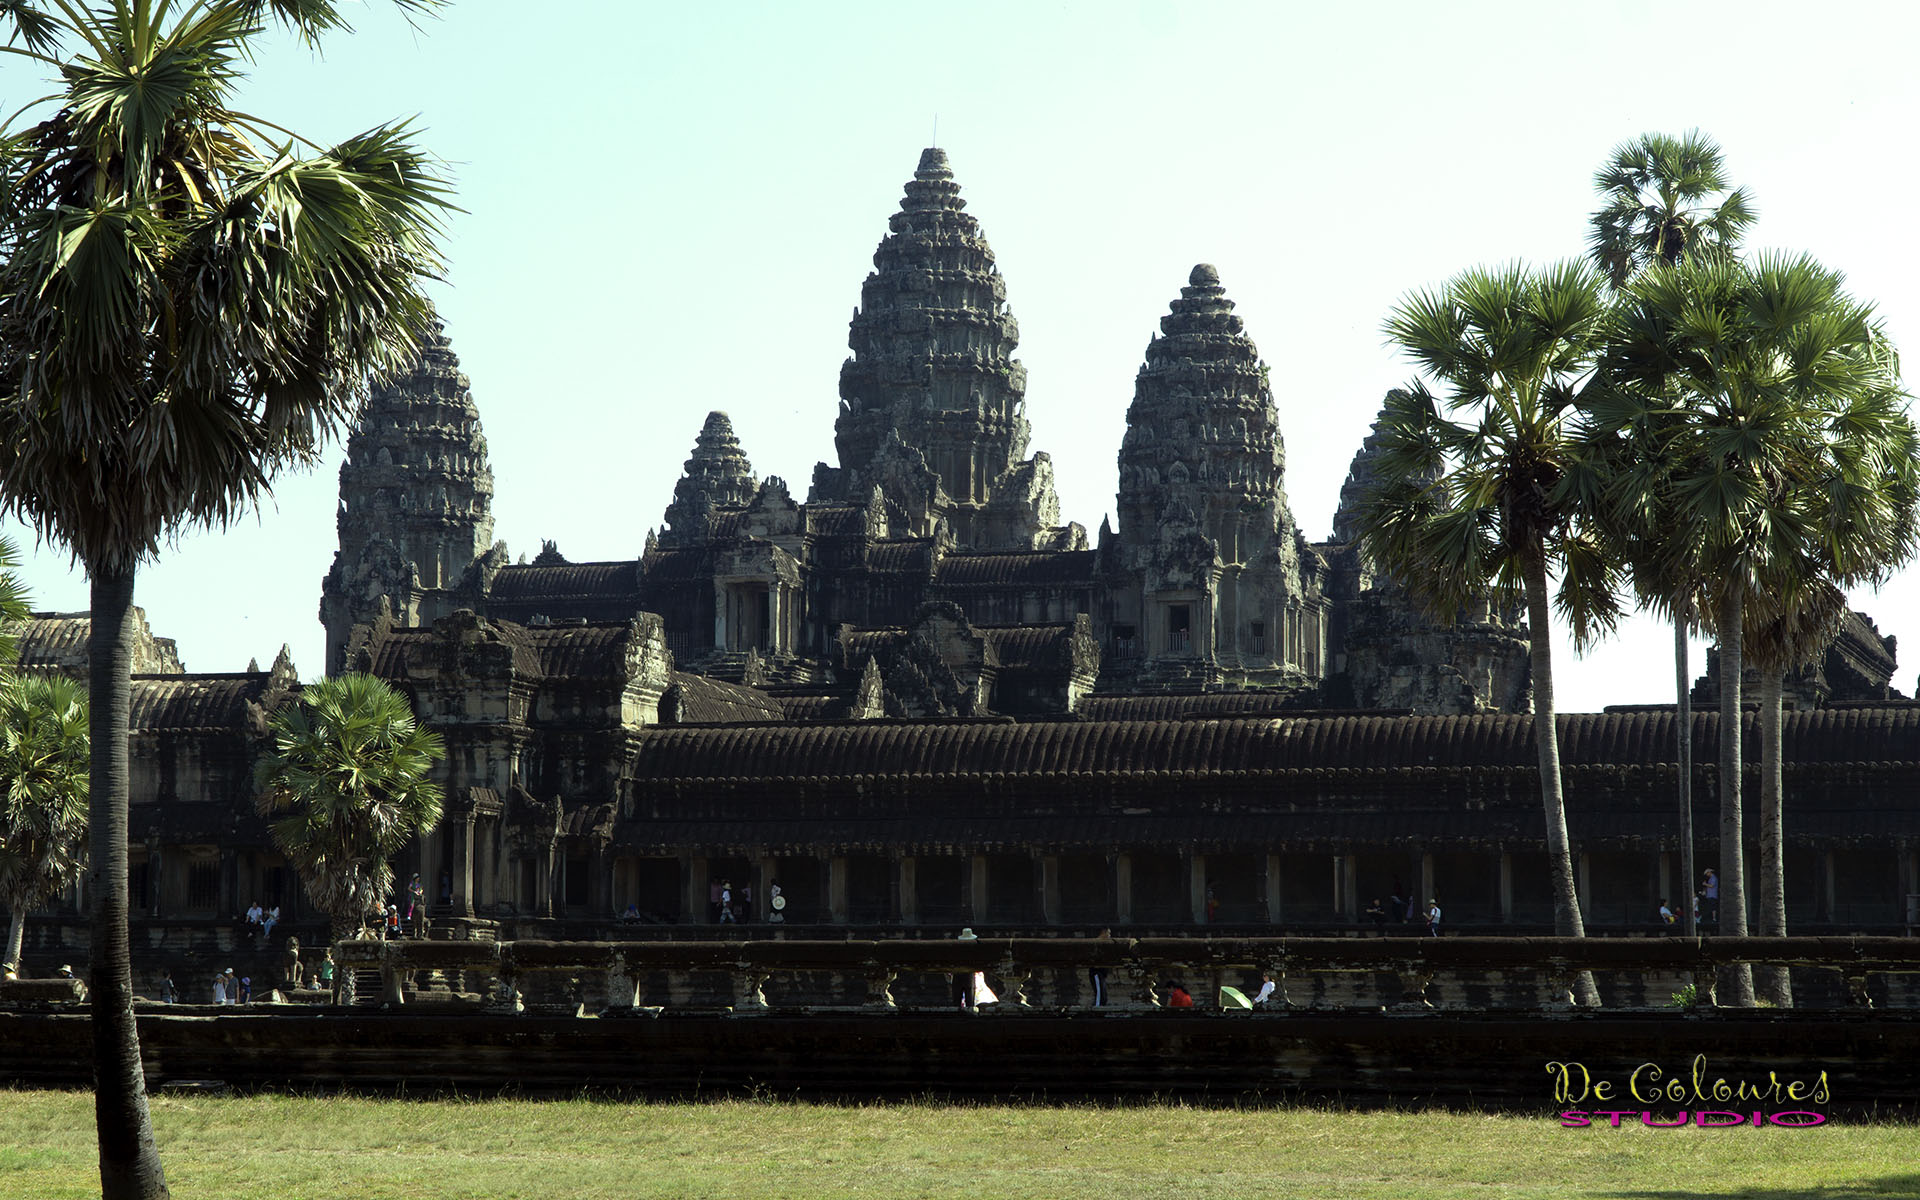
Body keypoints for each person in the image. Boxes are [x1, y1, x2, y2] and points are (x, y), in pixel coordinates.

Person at [952, 927, 979, 1010]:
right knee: (969, 1000)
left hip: (958, 974)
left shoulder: (956, 949)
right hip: (968, 975)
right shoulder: (973, 949)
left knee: (957, 1001)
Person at [1088, 928, 1112, 1006]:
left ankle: (1099, 1009)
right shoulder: (1096, 944)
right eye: (1108, 933)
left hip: (1101, 973)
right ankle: (1098, 1010)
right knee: (1100, 995)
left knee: (1103, 995)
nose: (1109, 936)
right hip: (1097, 973)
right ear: (1103, 932)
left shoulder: (1102, 944)